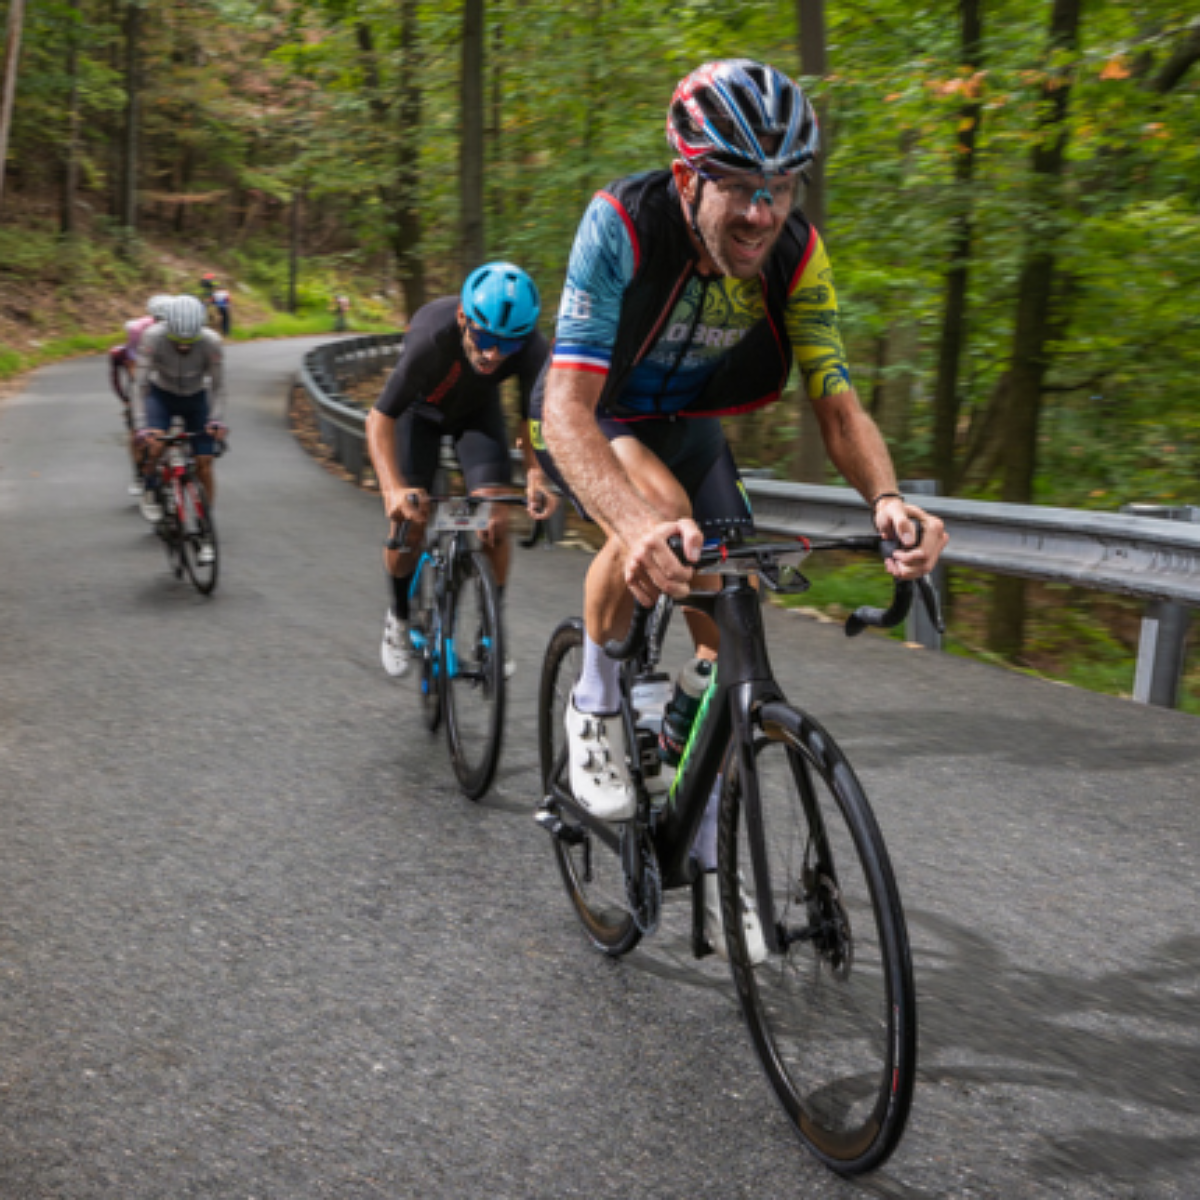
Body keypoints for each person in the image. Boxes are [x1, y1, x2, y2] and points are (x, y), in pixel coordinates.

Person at [533, 59, 949, 957]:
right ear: (688, 177)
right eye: (739, 188)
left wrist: (887, 498)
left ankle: (712, 848)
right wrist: (637, 527)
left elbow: (838, 403)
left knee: (734, 645)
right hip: (598, 416)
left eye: (782, 187)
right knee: (661, 512)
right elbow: (564, 409)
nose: (763, 213)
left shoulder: (797, 254)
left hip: (690, 426)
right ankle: (595, 701)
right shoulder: (623, 226)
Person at [365, 261, 558, 680]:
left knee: (494, 519)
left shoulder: (530, 348)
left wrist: (537, 475)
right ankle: (398, 617)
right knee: (411, 525)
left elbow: (534, 419)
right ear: (462, 318)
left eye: (506, 344)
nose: (492, 353)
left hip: (477, 415)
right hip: (420, 415)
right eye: (484, 336)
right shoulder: (431, 339)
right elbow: (379, 418)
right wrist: (392, 490)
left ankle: (491, 628)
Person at [132, 295, 228, 563]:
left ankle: (205, 526)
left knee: (205, 462)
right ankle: (151, 485)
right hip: (161, 395)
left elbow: (219, 387)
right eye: (178, 342)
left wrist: (217, 420)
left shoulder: (211, 342)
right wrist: (142, 427)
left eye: (190, 342)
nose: (184, 347)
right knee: (156, 442)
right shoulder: (152, 337)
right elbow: (139, 386)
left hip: (196, 397)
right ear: (167, 330)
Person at [110, 294, 172, 496]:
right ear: (152, 317)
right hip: (143, 373)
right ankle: (139, 473)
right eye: (160, 320)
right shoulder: (138, 330)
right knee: (137, 426)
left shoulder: (181, 326)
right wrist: (132, 401)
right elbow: (133, 367)